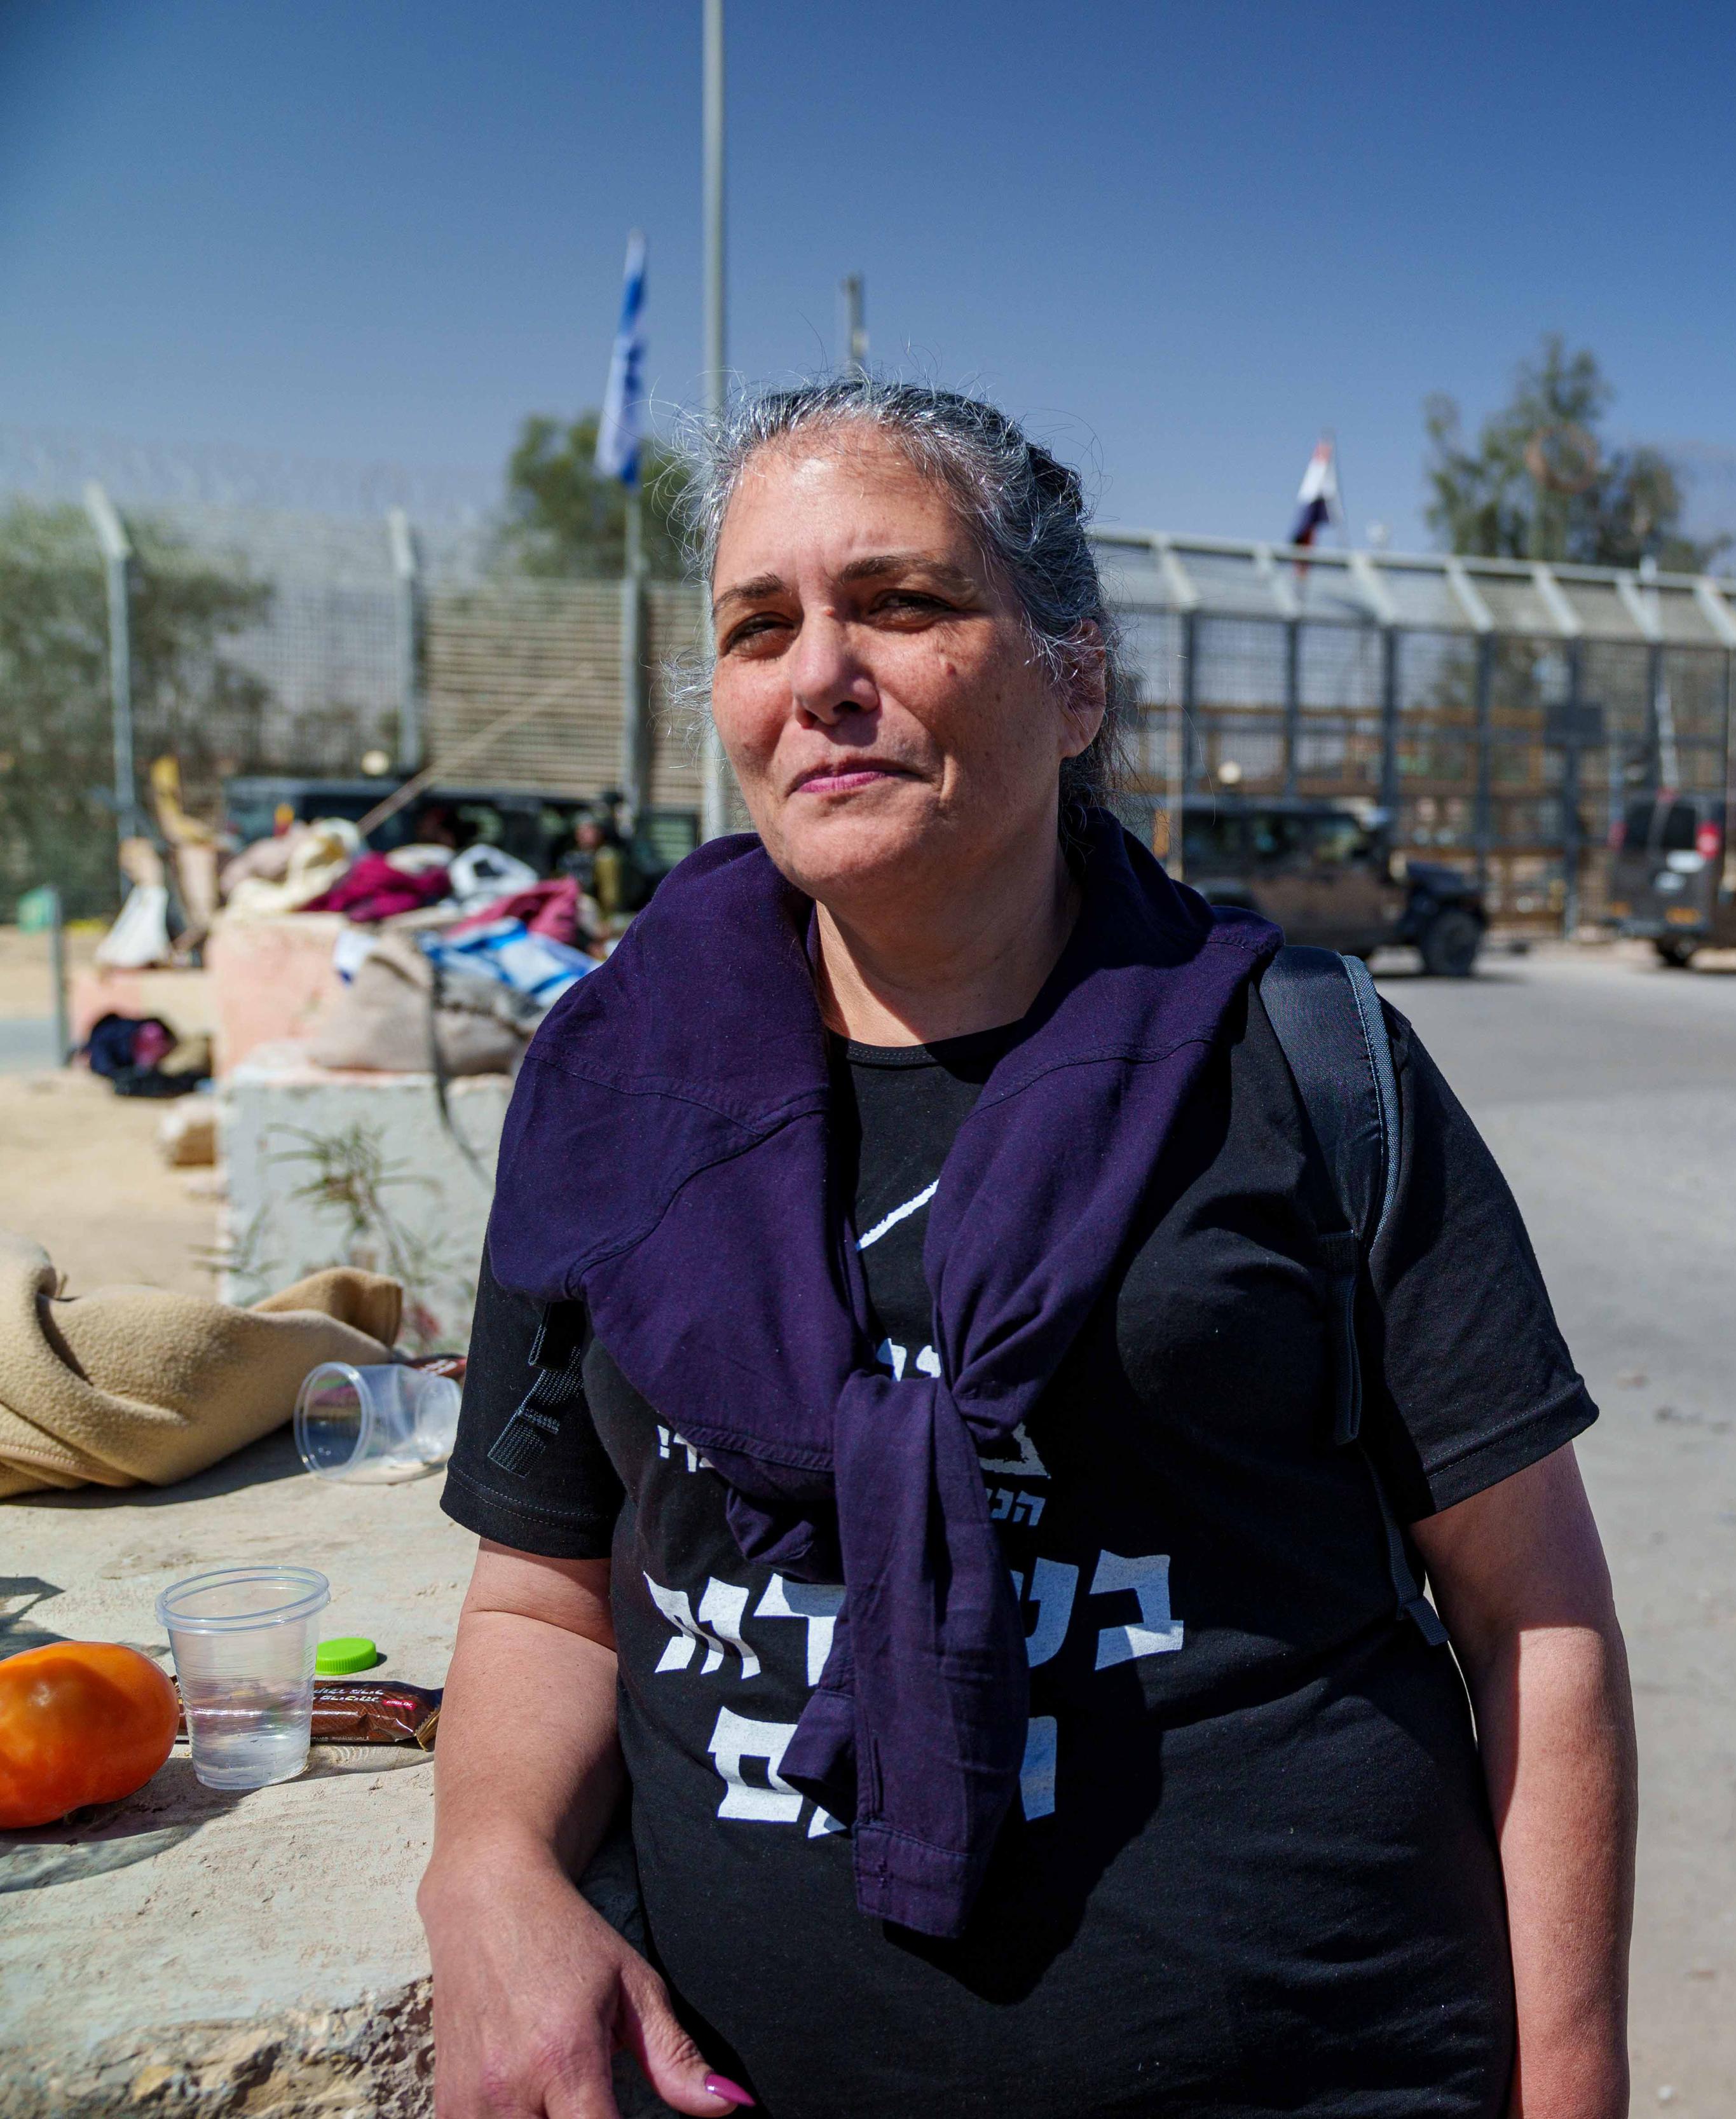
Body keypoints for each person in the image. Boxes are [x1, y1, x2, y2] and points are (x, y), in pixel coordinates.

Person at [420, 380, 1636, 2119]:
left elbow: (1538, 1617)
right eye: (761, 626)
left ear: (1077, 681)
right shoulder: (615, 1089)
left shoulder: (1297, 1059)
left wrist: (1571, 2087)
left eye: (903, 604)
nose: (820, 673)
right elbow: (551, 1588)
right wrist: (487, 1869)